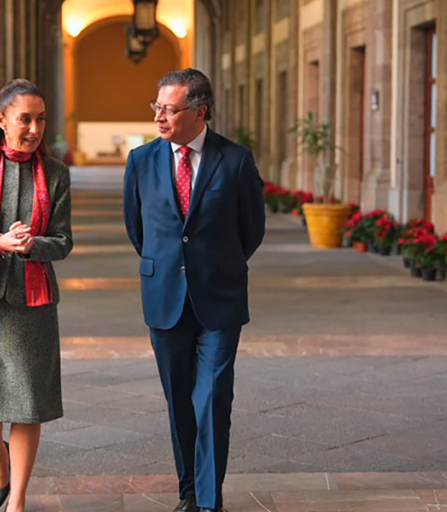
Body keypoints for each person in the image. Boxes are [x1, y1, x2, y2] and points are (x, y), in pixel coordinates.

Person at [123, 69, 265, 512]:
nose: (159, 117)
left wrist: (216, 265)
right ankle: (188, 490)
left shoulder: (236, 160)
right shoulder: (141, 161)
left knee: (212, 400)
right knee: (179, 403)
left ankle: (208, 501)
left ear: (200, 111)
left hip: (219, 299)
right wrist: (166, 265)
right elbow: (137, 227)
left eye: (169, 109)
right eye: (157, 107)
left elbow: (252, 230)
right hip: (164, 296)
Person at [0, 78, 72, 512]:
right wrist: (0, 241)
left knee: (28, 404)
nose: (34, 128)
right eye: (25, 119)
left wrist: (31, 245)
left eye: (41, 119)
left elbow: (62, 241)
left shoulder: (56, 172)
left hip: (34, 303)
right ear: (1, 119)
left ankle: (17, 500)